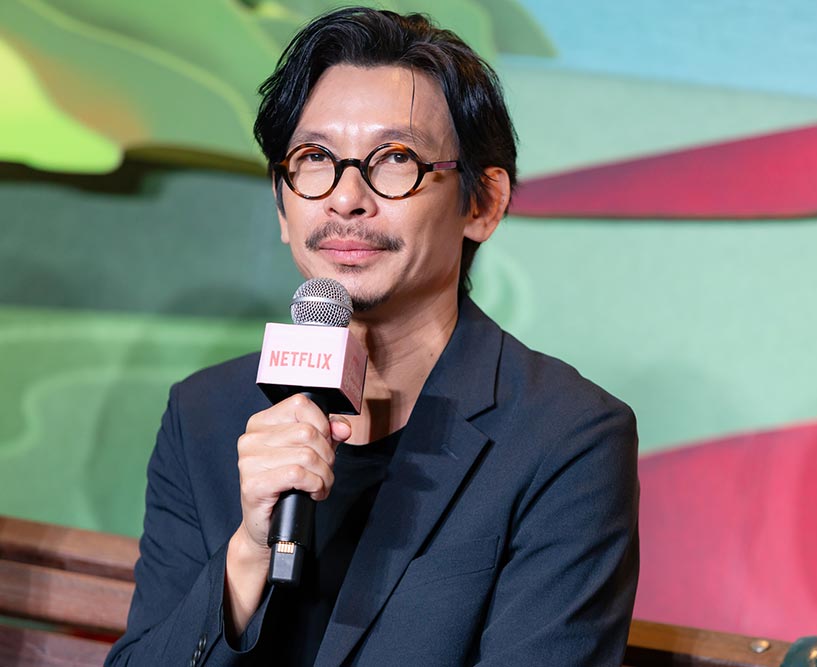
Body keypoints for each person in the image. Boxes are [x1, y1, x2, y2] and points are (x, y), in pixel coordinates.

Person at [106, 7, 639, 666]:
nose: (346, 198)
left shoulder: (566, 438)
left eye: (395, 159)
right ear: (282, 203)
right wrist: (246, 554)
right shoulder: (205, 414)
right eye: (315, 158)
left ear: (483, 204)